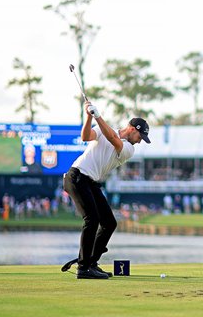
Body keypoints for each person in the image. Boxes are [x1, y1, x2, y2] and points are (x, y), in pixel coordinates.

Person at [63, 100, 150, 279]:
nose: (140, 142)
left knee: (109, 223)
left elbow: (112, 138)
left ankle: (91, 263)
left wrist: (98, 116)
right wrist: (89, 117)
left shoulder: (128, 149)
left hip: (90, 182)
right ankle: (84, 268)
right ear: (133, 129)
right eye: (140, 137)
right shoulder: (105, 130)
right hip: (76, 177)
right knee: (92, 219)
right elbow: (85, 136)